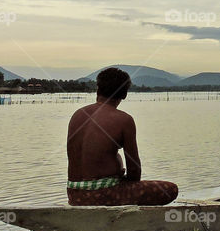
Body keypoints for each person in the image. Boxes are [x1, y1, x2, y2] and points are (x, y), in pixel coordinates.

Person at [66, 67, 178, 206]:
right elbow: (134, 171)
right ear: (124, 94)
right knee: (170, 189)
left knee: (117, 158)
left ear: (98, 89)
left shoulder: (78, 114)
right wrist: (120, 176)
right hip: (103, 195)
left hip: (74, 194)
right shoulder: (124, 120)